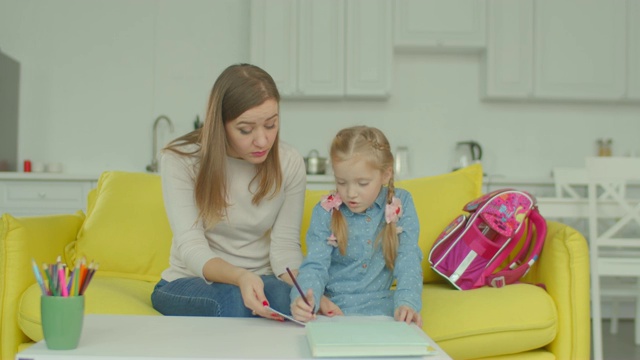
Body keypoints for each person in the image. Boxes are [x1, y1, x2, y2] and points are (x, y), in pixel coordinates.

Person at [151, 63, 306, 320]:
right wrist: (241, 277)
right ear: (220, 125)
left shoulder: (289, 161)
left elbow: (285, 249)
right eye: (245, 129)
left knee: (292, 301)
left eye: (271, 125)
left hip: (259, 278)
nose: (262, 140)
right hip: (188, 280)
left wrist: (307, 289)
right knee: (235, 300)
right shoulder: (181, 160)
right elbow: (191, 248)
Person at [290, 126, 423, 326]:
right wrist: (305, 299)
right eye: (341, 182)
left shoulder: (401, 203)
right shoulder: (325, 211)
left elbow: (408, 259)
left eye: (362, 183)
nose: (351, 193)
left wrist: (407, 303)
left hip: (384, 310)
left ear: (386, 175)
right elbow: (314, 265)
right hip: (333, 311)